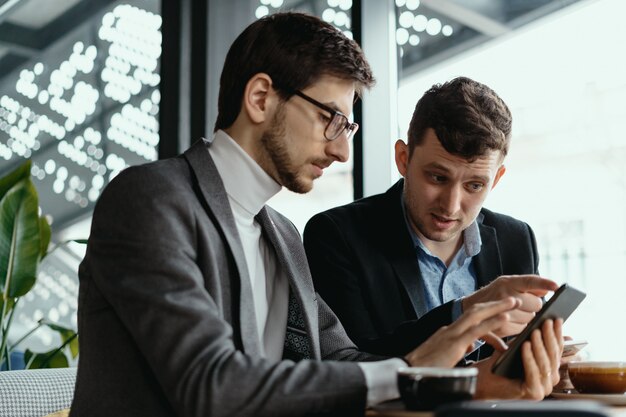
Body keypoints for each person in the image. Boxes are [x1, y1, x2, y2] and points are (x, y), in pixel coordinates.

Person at [70, 14, 561, 417]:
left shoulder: (280, 235)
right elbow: (211, 385)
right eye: (331, 119)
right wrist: (414, 366)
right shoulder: (151, 199)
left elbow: (341, 361)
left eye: (347, 126)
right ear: (260, 98)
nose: (343, 150)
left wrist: (470, 382)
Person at [304, 76, 558, 360]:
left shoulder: (517, 239)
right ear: (403, 158)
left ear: (496, 179)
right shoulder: (337, 236)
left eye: (474, 185)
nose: (451, 205)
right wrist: (462, 315)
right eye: (437, 177)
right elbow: (350, 365)